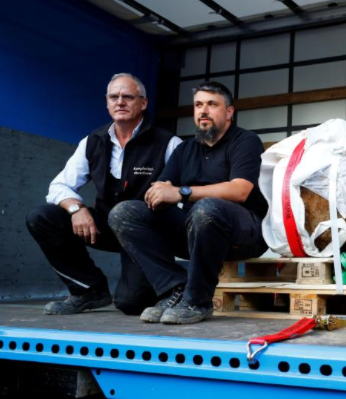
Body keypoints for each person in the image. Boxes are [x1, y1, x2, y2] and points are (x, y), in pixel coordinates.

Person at [109, 81, 268, 325]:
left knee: (207, 207)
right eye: (198, 105)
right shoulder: (184, 149)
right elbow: (160, 189)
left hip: (243, 234)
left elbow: (240, 190)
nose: (203, 111)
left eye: (212, 104)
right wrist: (160, 196)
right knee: (124, 213)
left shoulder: (245, 141)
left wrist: (181, 192)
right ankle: (174, 289)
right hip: (197, 233)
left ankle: (197, 301)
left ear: (229, 112)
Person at [26, 73, 181, 315]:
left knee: (131, 303)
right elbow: (58, 187)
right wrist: (76, 209)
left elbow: (184, 195)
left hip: (146, 233)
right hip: (106, 226)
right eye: (114, 97)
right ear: (107, 103)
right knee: (43, 217)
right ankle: (88, 290)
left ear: (143, 103)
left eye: (128, 97)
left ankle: (175, 284)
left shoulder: (169, 143)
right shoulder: (92, 141)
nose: (120, 102)